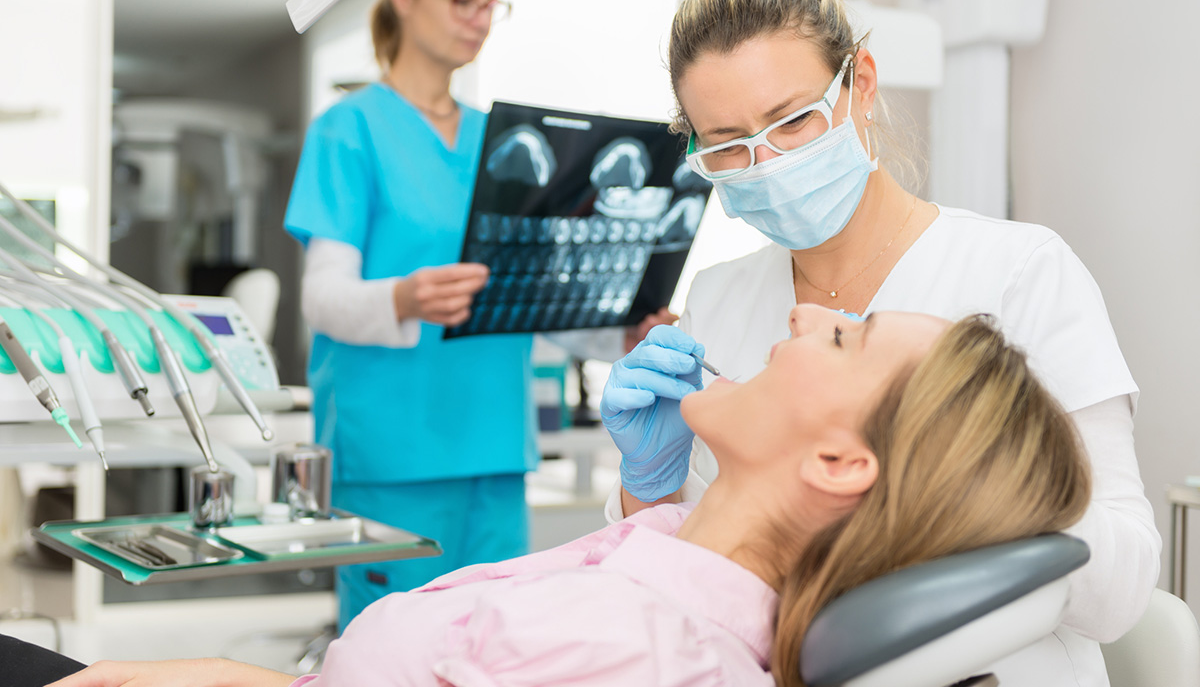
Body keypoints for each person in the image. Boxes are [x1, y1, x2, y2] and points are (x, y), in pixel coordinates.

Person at [597, 0, 1159, 686]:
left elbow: (1121, 588)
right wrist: (649, 486)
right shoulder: (719, 298)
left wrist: (947, 471)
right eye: (728, 145)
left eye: (792, 121)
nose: (766, 163)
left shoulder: (1021, 271)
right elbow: (686, 581)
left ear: (860, 84)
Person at [42, 307, 1089, 687]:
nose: (800, 320)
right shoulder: (671, 558)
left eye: (845, 338)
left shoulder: (642, 653)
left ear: (840, 464)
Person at [282, 0, 675, 631]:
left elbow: (529, 295)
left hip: (493, 443)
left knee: (492, 647)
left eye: (491, 3)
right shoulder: (350, 129)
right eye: (463, 0)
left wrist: (620, 334)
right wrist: (402, 297)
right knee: (390, 651)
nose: (479, 20)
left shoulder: (503, 141)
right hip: (392, 452)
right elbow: (322, 298)